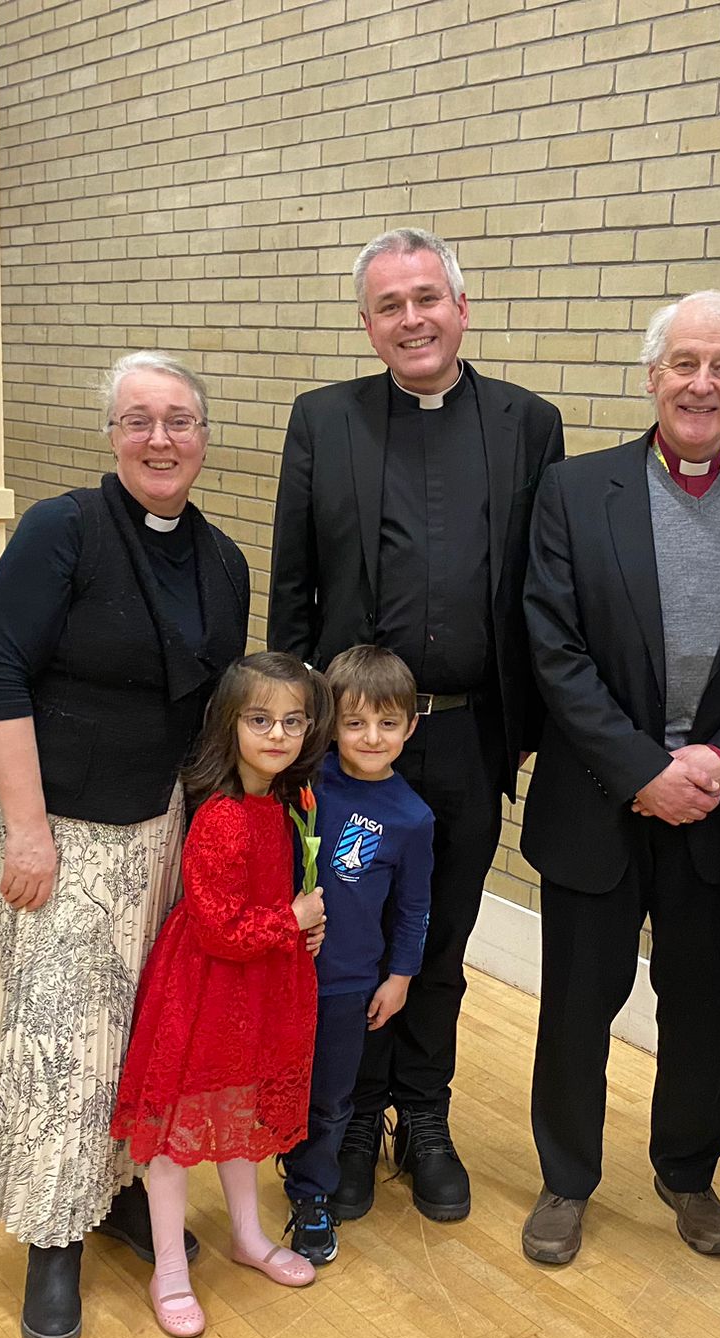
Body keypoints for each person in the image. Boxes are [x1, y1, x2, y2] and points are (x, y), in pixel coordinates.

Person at [521, 290, 720, 1265]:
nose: (702, 382)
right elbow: (552, 648)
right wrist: (639, 770)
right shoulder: (575, 491)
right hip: (598, 803)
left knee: (698, 1009)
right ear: (651, 375)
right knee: (577, 1004)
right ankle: (566, 1179)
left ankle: (686, 1173)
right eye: (684, 362)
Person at [268, 227, 564, 1223]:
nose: (411, 319)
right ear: (367, 324)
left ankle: (422, 1120)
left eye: (426, 298)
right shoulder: (322, 422)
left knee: (437, 935)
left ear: (460, 307)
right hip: (352, 746)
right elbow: (293, 591)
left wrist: (529, 718)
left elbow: (540, 584)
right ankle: (348, 1121)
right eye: (389, 305)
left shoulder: (528, 424)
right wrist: (296, 738)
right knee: (351, 936)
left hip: (470, 739)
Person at [0, 351, 249, 1338]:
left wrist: (212, 844)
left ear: (204, 437)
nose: (160, 439)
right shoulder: (61, 532)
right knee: (63, 1046)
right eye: (138, 421)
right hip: (59, 828)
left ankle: (121, 1189)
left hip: (159, 830)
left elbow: (219, 714)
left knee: (141, 1028)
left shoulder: (222, 561)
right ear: (111, 435)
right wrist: (29, 831)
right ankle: (52, 1244)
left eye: (179, 420)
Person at [109, 653, 333, 1338]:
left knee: (242, 1116)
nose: (277, 734)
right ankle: (169, 1268)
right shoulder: (223, 818)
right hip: (206, 990)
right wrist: (289, 922)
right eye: (260, 719)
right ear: (229, 724)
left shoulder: (290, 803)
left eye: (292, 721)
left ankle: (248, 1236)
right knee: (178, 1136)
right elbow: (218, 927)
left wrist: (301, 930)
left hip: (261, 985)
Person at [282, 646, 436, 1264]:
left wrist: (400, 975)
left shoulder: (413, 817)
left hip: (347, 981)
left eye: (388, 723)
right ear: (331, 723)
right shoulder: (301, 781)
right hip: (276, 968)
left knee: (331, 1096)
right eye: (355, 722)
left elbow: (414, 907)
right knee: (269, 1083)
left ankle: (311, 1194)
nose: (372, 737)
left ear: (411, 726)